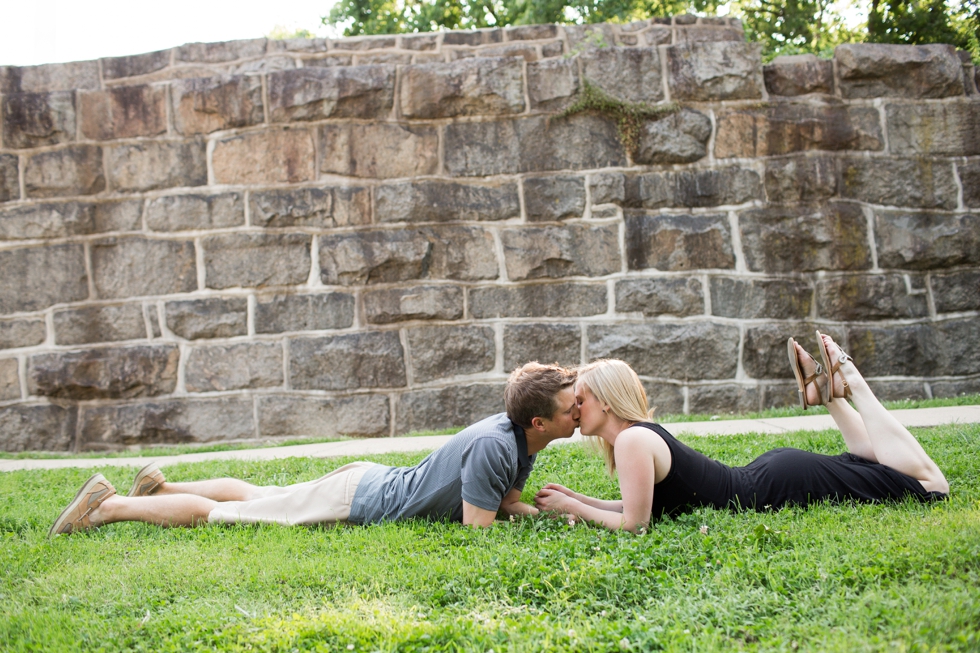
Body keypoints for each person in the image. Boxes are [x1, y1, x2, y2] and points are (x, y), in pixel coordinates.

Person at [49, 362, 580, 537]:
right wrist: (543, 519)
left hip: (363, 483)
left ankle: (159, 488)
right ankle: (109, 506)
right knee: (227, 515)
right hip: (358, 500)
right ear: (541, 420)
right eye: (570, 406)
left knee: (261, 494)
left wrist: (556, 512)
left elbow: (506, 501)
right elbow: (478, 530)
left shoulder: (518, 440)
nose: (578, 410)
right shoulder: (496, 445)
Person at [533, 332, 949, 533]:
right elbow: (635, 503)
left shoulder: (632, 440)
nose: (574, 408)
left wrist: (573, 510)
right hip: (774, 476)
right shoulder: (635, 438)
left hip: (778, 485)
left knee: (932, 488)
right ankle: (830, 397)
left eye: (581, 399)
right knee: (866, 463)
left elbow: (636, 525)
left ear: (606, 401)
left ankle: (851, 382)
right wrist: (576, 497)